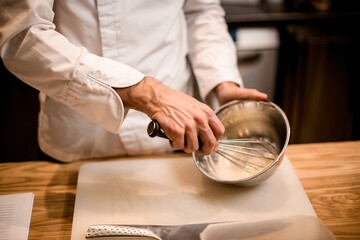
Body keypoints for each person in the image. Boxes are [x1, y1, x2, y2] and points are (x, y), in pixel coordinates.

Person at [0, 0, 267, 162]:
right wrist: (150, 94)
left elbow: (201, 11)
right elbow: (23, 36)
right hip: (81, 135)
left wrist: (222, 80)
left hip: (176, 135)